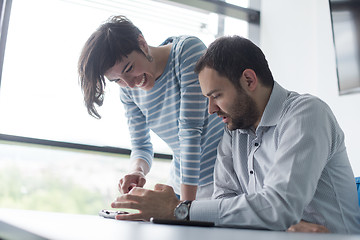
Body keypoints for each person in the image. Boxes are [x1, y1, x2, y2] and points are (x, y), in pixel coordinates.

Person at [110, 35, 360, 233]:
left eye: (216, 95)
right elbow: (224, 202)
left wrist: (180, 210)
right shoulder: (235, 132)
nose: (211, 109)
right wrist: (280, 224)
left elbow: (279, 207)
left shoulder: (306, 114)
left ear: (249, 80)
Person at [78, 15, 224, 201]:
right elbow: (141, 146)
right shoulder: (129, 92)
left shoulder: (187, 52)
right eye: (117, 81)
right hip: (181, 182)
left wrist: (185, 208)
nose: (131, 84)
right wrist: (137, 171)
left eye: (129, 68)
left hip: (222, 177)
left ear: (142, 44)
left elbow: (190, 132)